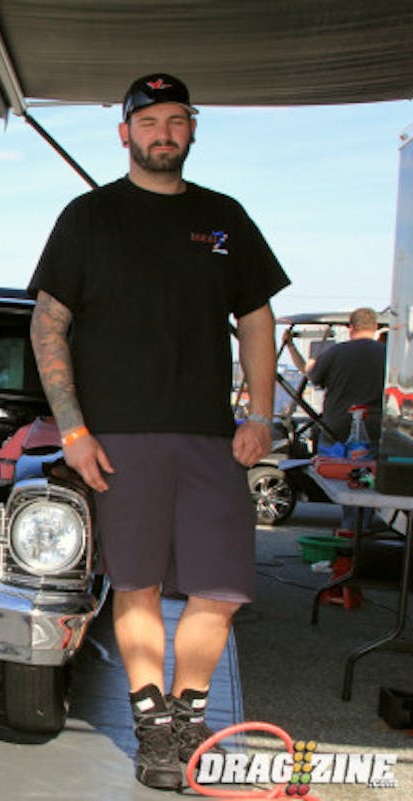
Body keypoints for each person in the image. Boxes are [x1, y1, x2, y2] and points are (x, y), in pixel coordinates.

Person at [28, 74, 289, 790]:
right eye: (150, 122)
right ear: (125, 134)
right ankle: (155, 728)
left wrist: (261, 415)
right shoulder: (89, 216)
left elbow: (257, 319)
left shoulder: (224, 217)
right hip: (117, 439)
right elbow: (49, 322)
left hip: (210, 437)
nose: (163, 132)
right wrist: (75, 431)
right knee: (136, 586)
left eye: (177, 120)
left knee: (221, 588)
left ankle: (191, 711)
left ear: (192, 131)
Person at [284, 307, 387, 530]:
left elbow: (311, 374)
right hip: (373, 429)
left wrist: (290, 346)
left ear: (351, 328)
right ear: (376, 328)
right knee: (366, 484)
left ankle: (350, 532)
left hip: (336, 429)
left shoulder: (336, 353)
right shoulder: (386, 354)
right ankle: (358, 529)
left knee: (339, 484)